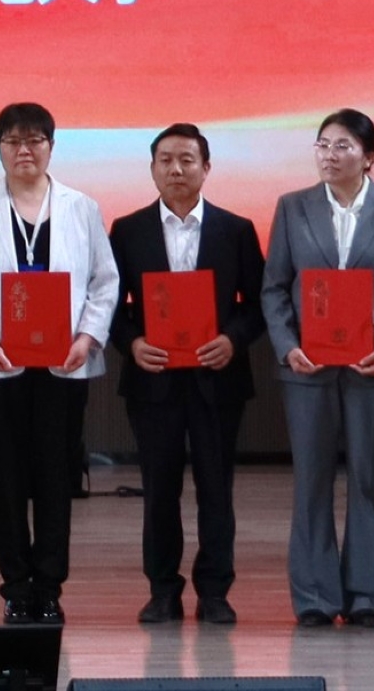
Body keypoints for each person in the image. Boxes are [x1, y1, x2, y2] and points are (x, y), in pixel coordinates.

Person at [0, 101, 117, 627]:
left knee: (56, 476)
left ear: (51, 146)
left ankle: (49, 585)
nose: (25, 150)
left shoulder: (81, 208)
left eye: (35, 140)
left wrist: (87, 338)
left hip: (64, 363)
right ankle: (16, 587)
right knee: (5, 477)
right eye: (13, 141)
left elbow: (105, 282)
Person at [261, 107, 374, 628]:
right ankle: (314, 597)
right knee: (311, 481)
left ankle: (364, 596)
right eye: (323, 145)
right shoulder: (292, 207)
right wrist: (288, 346)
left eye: (343, 146)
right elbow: (274, 288)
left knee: (368, 480)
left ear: (369, 157)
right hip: (307, 367)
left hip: (370, 366)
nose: (330, 155)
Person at [106, 122, 266, 627]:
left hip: (216, 379)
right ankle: (162, 590)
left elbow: (258, 303)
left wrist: (233, 340)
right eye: (166, 160)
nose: (176, 169)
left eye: (187, 160)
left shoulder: (235, 230)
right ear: (153, 169)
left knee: (217, 488)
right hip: (153, 380)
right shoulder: (127, 230)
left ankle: (215, 591)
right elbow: (109, 303)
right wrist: (132, 343)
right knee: (159, 489)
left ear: (206, 168)